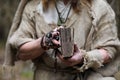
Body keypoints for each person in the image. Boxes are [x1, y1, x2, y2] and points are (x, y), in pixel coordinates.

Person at [3, 0, 120, 80]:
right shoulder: (34, 7)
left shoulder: (98, 7)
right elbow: (22, 51)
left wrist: (83, 58)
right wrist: (44, 42)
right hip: (47, 76)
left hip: (86, 76)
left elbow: (109, 50)